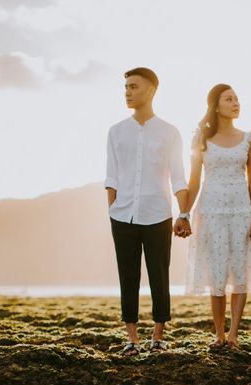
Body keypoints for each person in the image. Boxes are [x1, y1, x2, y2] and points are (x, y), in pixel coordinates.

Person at [105, 67, 191, 356]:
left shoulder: (170, 132)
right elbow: (112, 177)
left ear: (151, 90)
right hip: (122, 215)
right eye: (126, 87)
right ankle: (132, 338)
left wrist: (184, 213)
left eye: (133, 87)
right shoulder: (116, 132)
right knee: (127, 276)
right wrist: (112, 210)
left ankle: (157, 336)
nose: (127, 92)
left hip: (158, 213)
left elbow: (178, 176)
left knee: (159, 275)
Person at [183, 84, 251, 349]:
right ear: (216, 105)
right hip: (210, 212)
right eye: (229, 99)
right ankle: (218, 334)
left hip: (241, 211)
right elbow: (194, 181)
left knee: (240, 273)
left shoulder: (249, 139)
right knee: (217, 274)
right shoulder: (202, 140)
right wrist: (184, 212)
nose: (235, 103)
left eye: (237, 99)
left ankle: (233, 335)